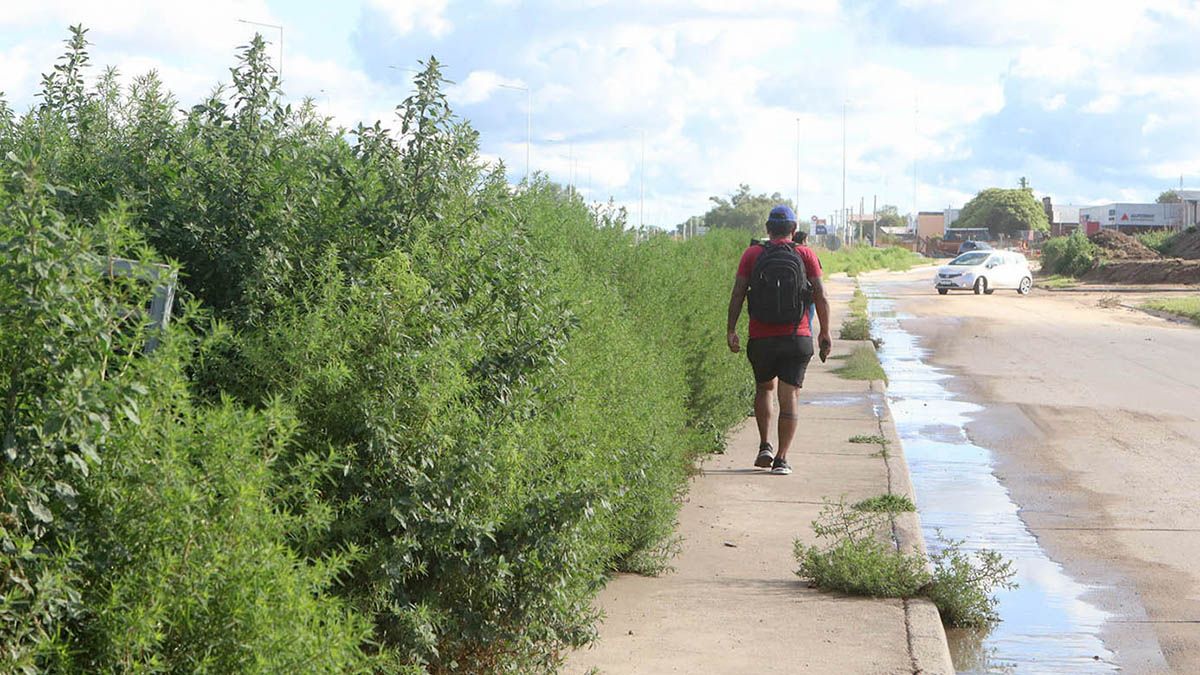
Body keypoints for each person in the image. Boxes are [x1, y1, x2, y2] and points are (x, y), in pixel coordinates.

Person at [726, 206, 831, 475]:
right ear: (794, 229)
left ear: (767, 228)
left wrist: (731, 330)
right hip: (797, 336)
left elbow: (738, 293)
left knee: (764, 389)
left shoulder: (752, 254)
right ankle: (782, 459)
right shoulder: (805, 254)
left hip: (761, 338)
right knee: (789, 395)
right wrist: (824, 332)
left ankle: (765, 446)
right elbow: (820, 295)